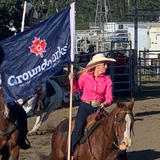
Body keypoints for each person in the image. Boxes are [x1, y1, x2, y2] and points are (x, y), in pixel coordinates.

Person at [69, 53, 116, 155]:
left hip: (98, 108)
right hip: (85, 107)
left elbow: (109, 98)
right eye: (104, 64)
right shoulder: (85, 77)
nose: (106, 66)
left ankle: (116, 151)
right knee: (78, 128)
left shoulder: (107, 80)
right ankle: (72, 151)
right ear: (97, 65)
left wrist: (105, 103)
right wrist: (72, 81)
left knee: (113, 126)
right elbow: (76, 90)